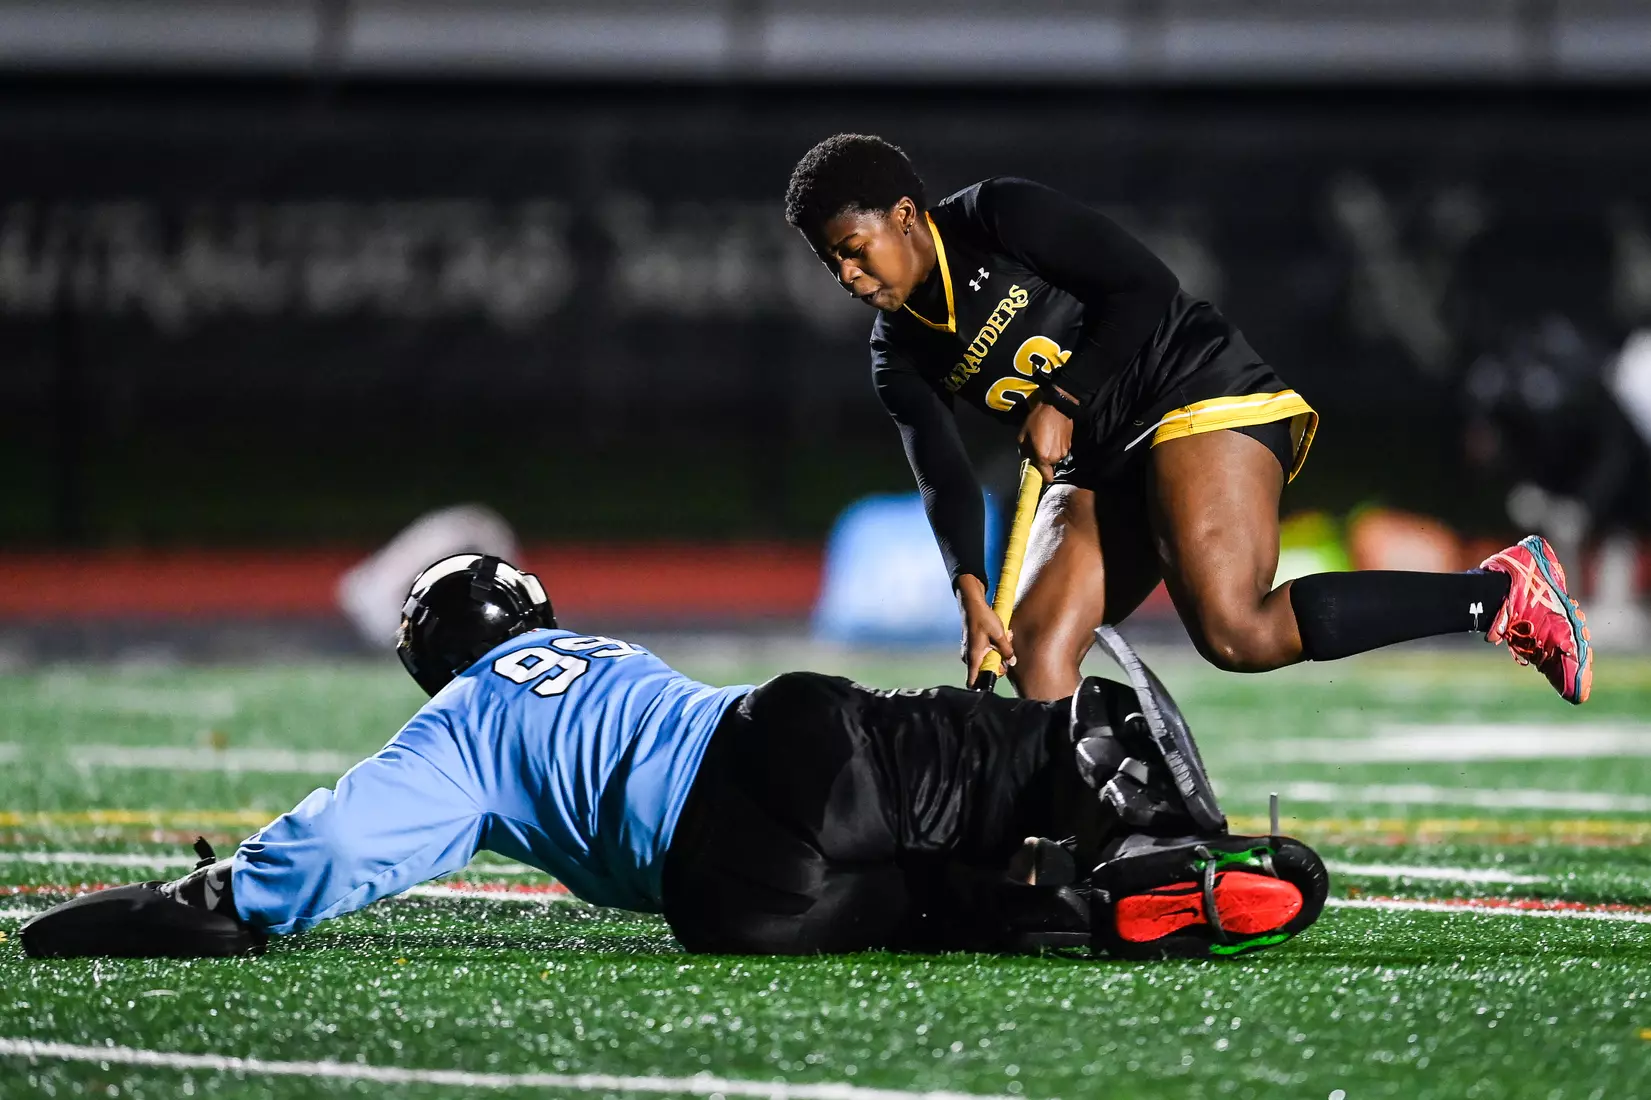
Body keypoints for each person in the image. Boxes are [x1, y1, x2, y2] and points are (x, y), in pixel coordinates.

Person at [21, 554, 1326, 962]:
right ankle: (1149, 827)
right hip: (774, 748)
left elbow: (342, 851)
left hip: (726, 900)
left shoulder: (458, 725)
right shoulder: (584, 650)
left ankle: (1096, 913)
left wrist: (205, 901)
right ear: (529, 610)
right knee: (1034, 754)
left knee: (949, 913)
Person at [782, 134, 1593, 704]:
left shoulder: (997, 217)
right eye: (831, 262)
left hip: (1193, 390)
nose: (848, 275)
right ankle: (1088, 853)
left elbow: (1143, 287)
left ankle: (1498, 594)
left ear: (904, 214)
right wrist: (970, 594)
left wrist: (1062, 396)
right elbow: (943, 474)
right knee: (1033, 655)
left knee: (1234, 630)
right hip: (1102, 463)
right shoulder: (897, 350)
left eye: (855, 248)